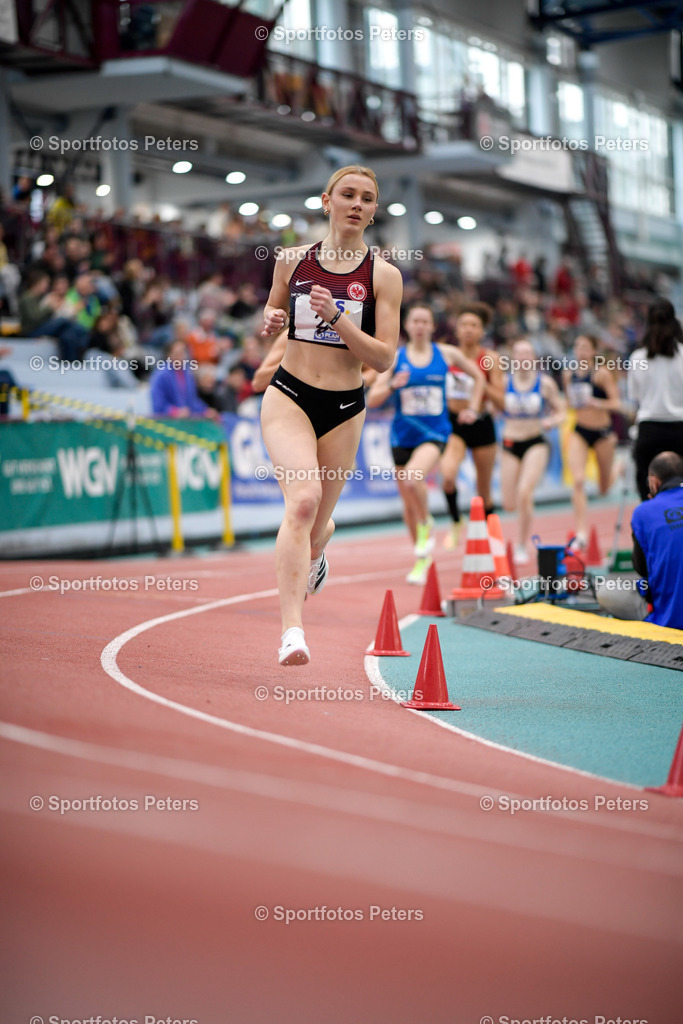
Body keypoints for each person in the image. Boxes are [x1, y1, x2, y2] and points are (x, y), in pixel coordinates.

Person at [259, 164, 402, 666]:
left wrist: (339, 318)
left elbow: (384, 358)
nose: (356, 204)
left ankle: (320, 547)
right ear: (327, 201)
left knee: (317, 524)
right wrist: (271, 317)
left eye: (367, 198)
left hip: (344, 407)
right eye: (348, 195)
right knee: (302, 501)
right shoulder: (292, 260)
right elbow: (274, 314)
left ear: (373, 211)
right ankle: (292, 632)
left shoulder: (383, 276)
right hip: (289, 395)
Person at [367, 303, 484, 584]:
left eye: (425, 321)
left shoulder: (446, 354)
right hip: (401, 437)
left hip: (435, 434)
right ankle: (422, 559)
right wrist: (393, 385)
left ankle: (427, 523)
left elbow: (479, 376)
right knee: (408, 504)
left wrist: (474, 408)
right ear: (407, 326)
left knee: (412, 478)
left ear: (432, 326)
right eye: (415, 321)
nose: (420, 325)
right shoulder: (395, 358)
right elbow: (372, 399)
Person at [439, 302, 505, 547]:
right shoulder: (446, 355)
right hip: (453, 423)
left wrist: (477, 379)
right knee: (447, 474)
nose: (468, 329)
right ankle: (457, 521)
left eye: (474, 325)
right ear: (456, 329)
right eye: (464, 324)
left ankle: (492, 539)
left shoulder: (490, 359)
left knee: (484, 489)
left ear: (482, 330)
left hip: (481, 422)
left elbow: (501, 401)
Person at [497, 338, 566, 563]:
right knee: (509, 503)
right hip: (509, 443)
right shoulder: (503, 382)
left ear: (533, 358)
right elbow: (490, 405)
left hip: (535, 441)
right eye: (519, 353)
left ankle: (521, 545)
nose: (524, 358)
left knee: (524, 492)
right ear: (514, 358)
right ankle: (518, 533)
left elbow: (562, 411)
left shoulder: (544, 383)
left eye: (528, 353)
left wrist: (552, 421)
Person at [595, 452, 683, 629]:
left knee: (605, 590)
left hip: (669, 620)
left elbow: (642, 568)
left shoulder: (644, 512)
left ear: (654, 481)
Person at [563, 334, 622, 547]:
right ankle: (581, 532)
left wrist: (597, 402)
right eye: (578, 346)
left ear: (594, 351)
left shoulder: (601, 374)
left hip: (602, 433)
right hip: (580, 430)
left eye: (585, 347)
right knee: (578, 480)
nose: (581, 351)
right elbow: (569, 403)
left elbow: (616, 403)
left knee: (603, 489)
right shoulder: (569, 374)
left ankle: (616, 470)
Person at [627, 299, 683, 501]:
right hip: (679, 429)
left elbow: (635, 396)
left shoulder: (638, 358)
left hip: (649, 430)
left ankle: (650, 528)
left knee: (647, 491)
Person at [149, 338, 216, 419]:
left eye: (183, 353)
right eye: (177, 353)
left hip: (186, 421)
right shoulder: (161, 375)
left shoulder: (187, 373)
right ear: (169, 355)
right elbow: (158, 404)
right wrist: (175, 412)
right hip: (167, 421)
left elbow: (192, 401)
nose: (181, 357)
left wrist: (205, 410)